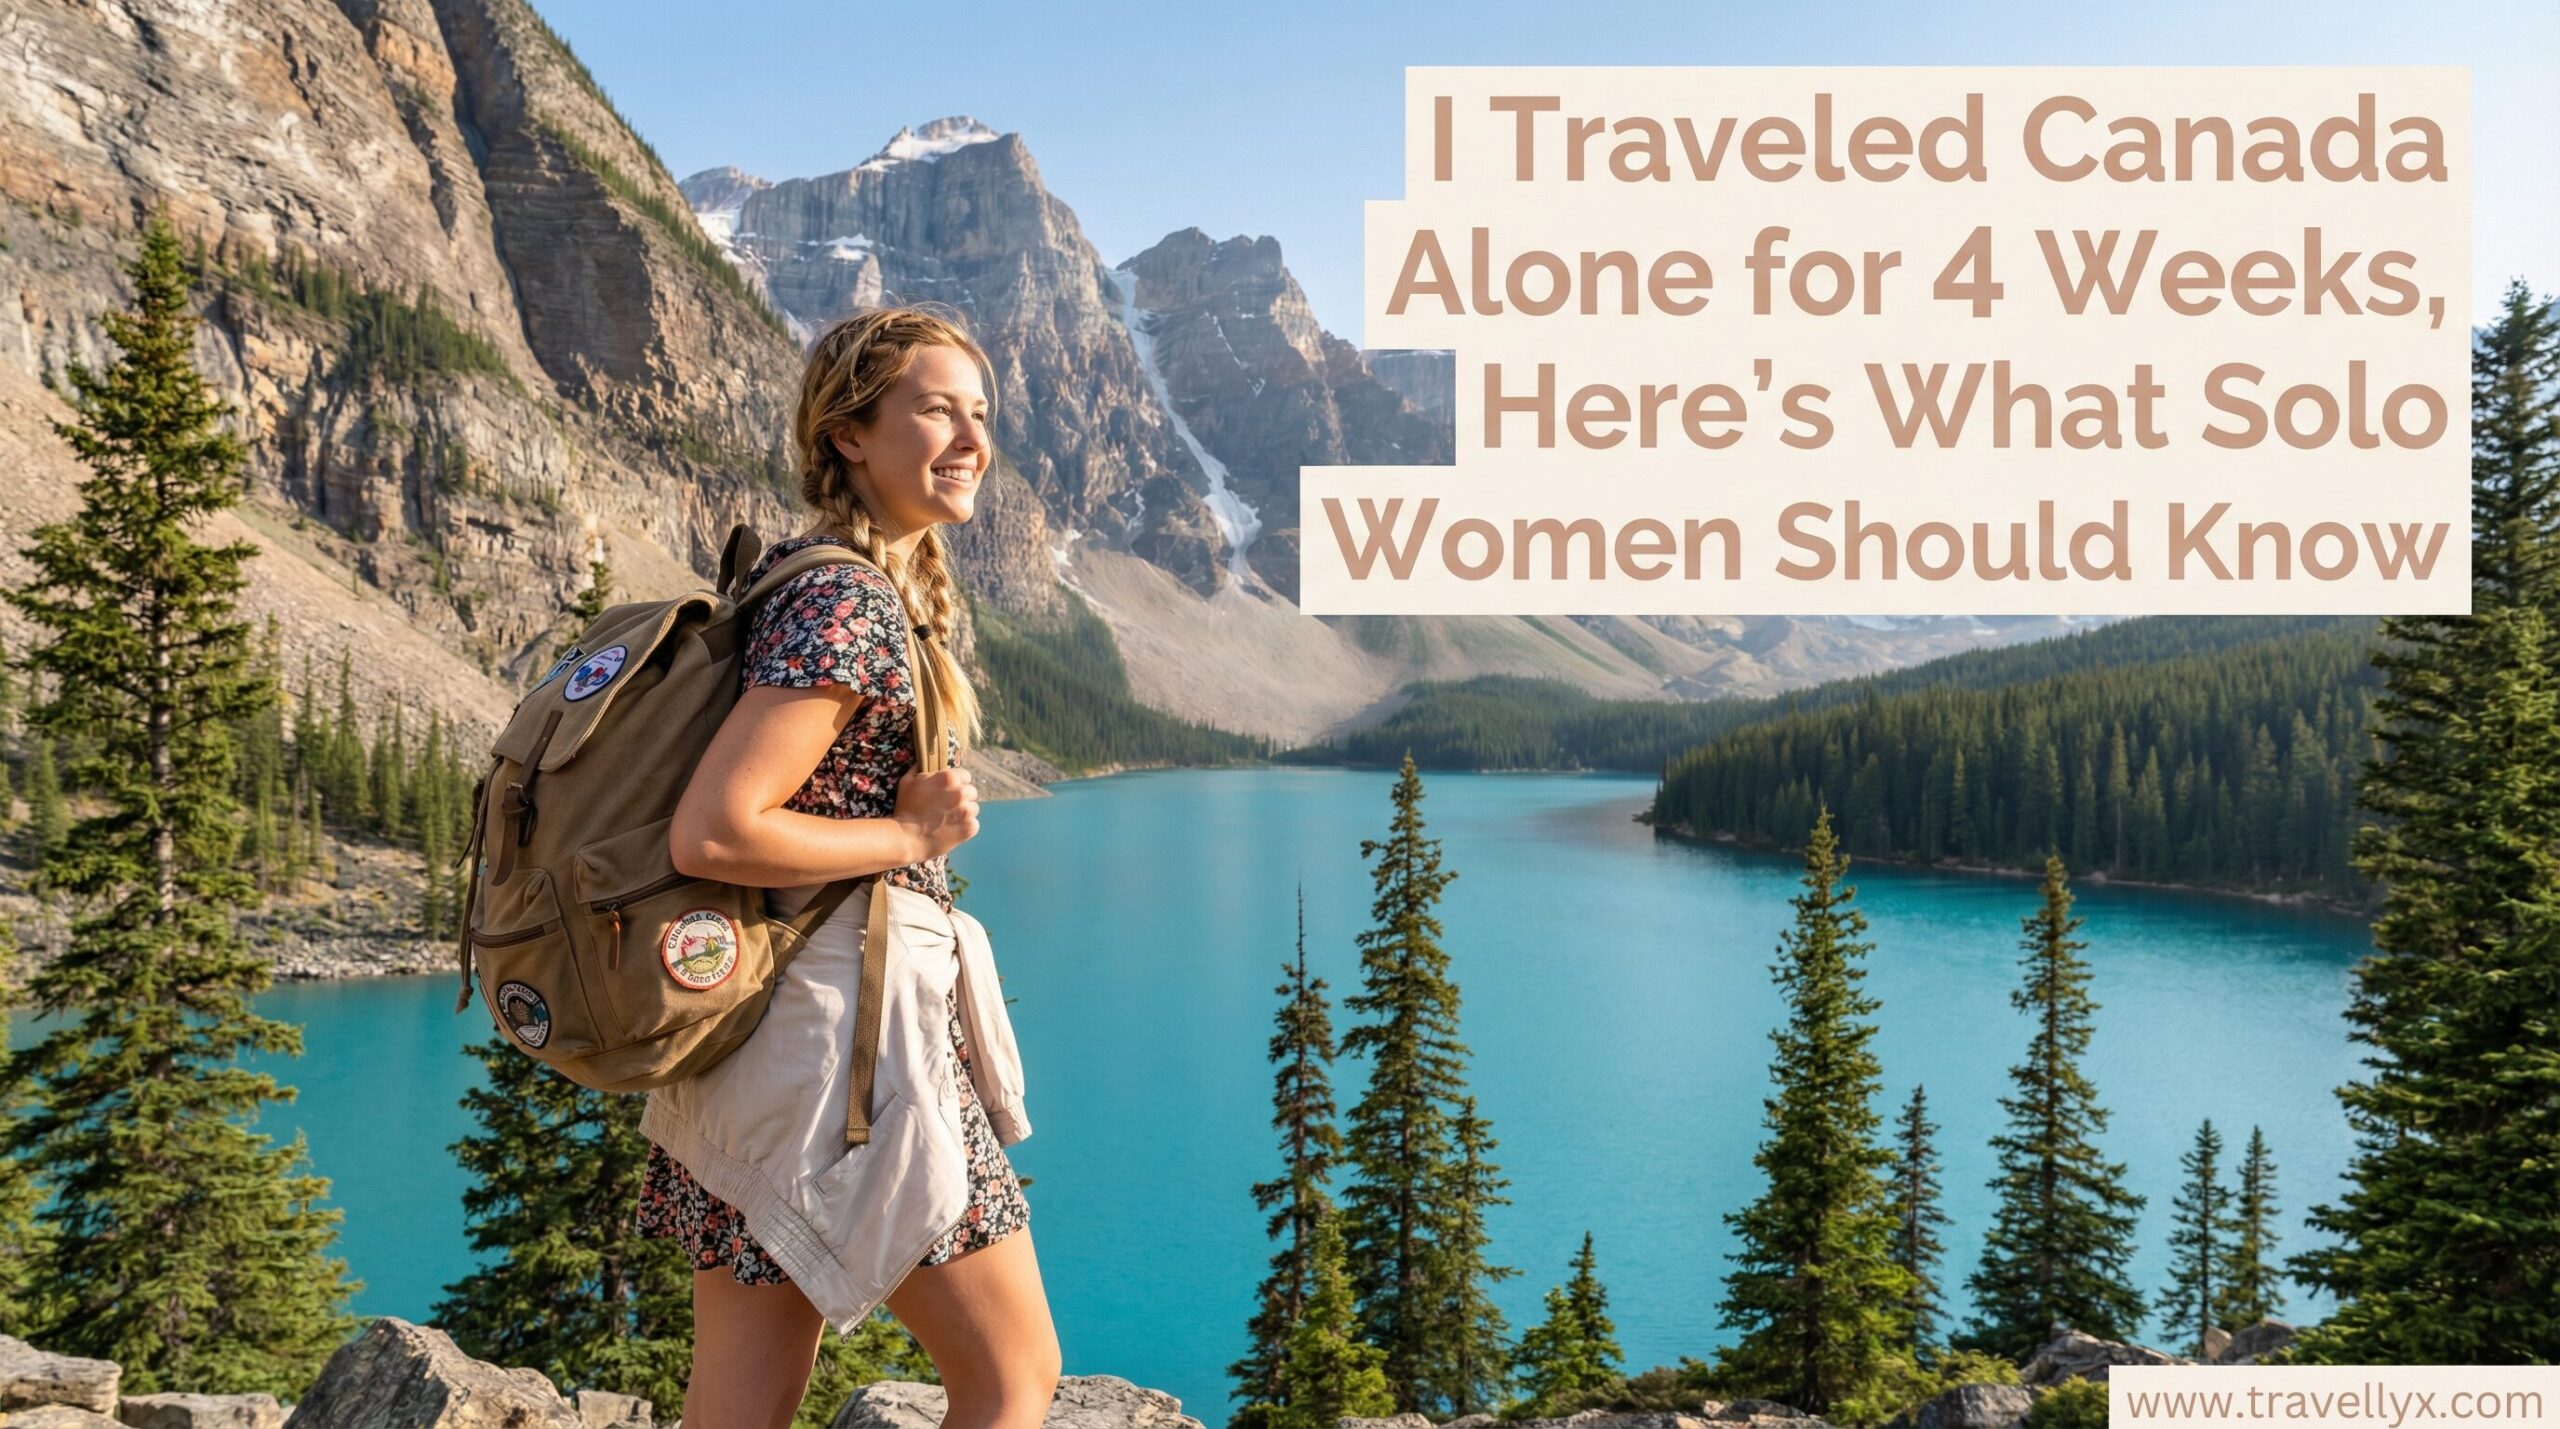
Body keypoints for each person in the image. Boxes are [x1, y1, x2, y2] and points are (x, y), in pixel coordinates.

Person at [635, 304, 1061, 1429]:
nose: (972, 438)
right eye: (936, 409)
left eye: (981, 413)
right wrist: (910, 839)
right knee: (1012, 1377)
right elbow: (716, 831)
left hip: (753, 1055)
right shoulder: (845, 599)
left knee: (743, 1400)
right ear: (848, 434)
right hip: (845, 1058)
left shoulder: (812, 580)